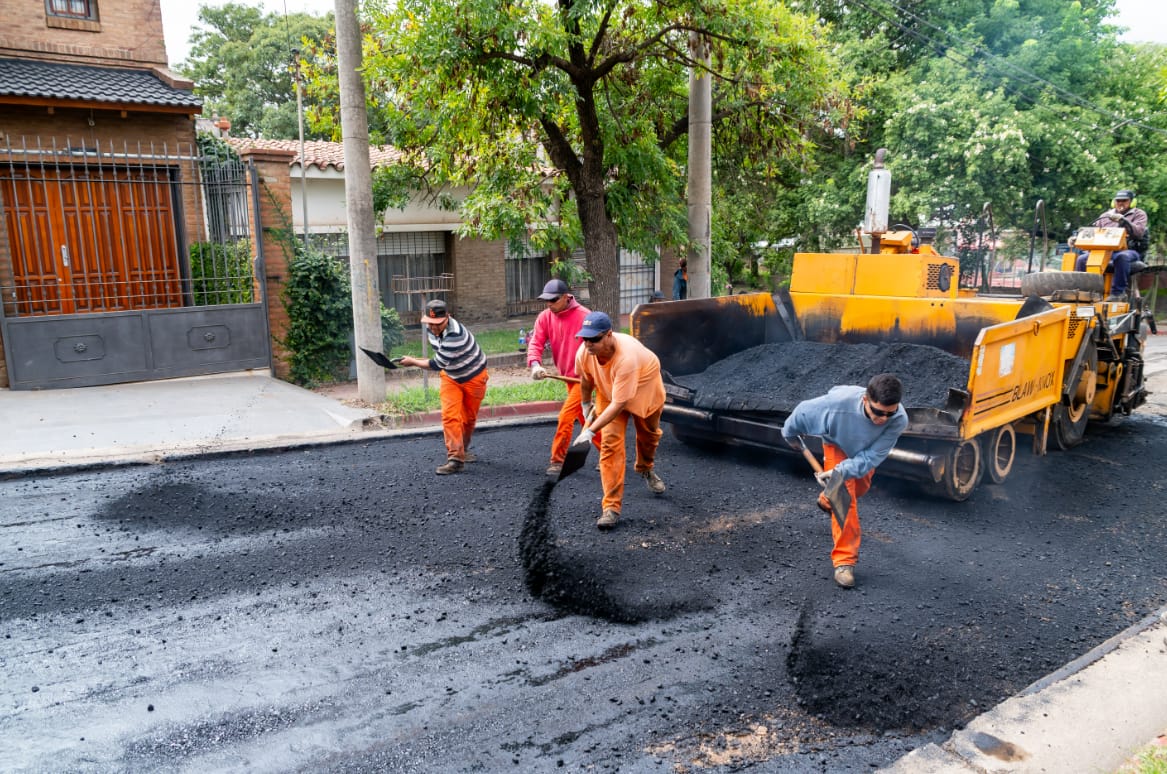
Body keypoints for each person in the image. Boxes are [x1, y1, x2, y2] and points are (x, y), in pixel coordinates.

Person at [781, 374, 908, 589]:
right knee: (845, 500)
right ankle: (844, 562)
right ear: (865, 400)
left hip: (864, 453)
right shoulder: (837, 405)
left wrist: (840, 471)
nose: (883, 419)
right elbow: (801, 412)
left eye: (890, 413)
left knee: (861, 487)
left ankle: (827, 499)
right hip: (837, 444)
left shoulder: (899, 419)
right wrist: (789, 433)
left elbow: (872, 457)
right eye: (878, 412)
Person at [571, 311, 667, 530]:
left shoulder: (626, 359)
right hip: (610, 391)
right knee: (610, 445)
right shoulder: (584, 352)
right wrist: (586, 405)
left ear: (609, 334)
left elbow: (619, 404)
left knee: (649, 436)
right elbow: (586, 378)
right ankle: (611, 508)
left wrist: (589, 431)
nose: (588, 343)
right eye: (585, 338)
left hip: (645, 387)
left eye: (594, 339)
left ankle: (645, 467)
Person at [397, 299, 489, 475]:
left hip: (474, 377)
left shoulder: (455, 335)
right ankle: (455, 459)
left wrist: (413, 361)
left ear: (448, 317)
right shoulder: (431, 328)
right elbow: (440, 359)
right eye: (430, 323)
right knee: (449, 416)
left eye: (437, 324)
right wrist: (412, 360)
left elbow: (436, 364)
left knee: (468, 419)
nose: (433, 328)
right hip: (450, 376)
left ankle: (463, 449)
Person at [527, 279, 600, 476]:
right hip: (568, 377)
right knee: (585, 418)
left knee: (566, 417)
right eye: (546, 300)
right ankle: (607, 453)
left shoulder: (585, 317)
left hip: (585, 378)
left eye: (554, 300)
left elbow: (599, 347)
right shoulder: (545, 317)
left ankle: (557, 461)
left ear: (567, 297)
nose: (549, 304)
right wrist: (535, 364)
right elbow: (536, 342)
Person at [1076, 190, 1148, 301]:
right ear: (1114, 202)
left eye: (1124, 201)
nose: (1121, 203)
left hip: (1129, 251)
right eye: (1118, 201)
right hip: (1105, 252)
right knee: (1082, 259)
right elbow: (1095, 232)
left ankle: (1118, 293)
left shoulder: (1139, 214)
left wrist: (1124, 221)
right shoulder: (1105, 216)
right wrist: (1078, 237)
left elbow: (1138, 233)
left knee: (1121, 257)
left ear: (1132, 202)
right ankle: (1083, 292)